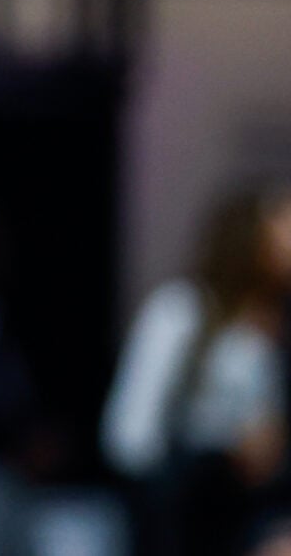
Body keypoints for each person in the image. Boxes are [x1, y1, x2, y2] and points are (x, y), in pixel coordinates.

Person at [103, 189, 291, 556]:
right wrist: (221, 454)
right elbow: (130, 436)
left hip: (257, 514)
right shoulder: (182, 312)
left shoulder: (274, 332)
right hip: (189, 520)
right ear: (252, 237)